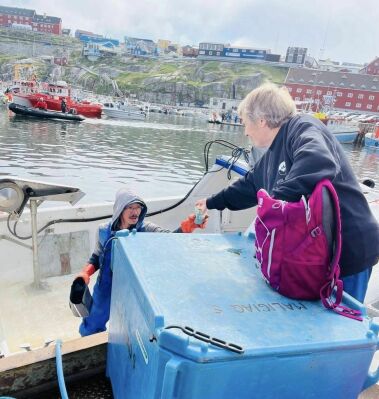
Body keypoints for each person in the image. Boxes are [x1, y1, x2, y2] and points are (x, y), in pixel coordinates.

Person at [196, 83, 379, 303]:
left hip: (349, 249)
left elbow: (318, 161)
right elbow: (249, 187)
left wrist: (273, 204)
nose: (245, 131)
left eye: (245, 123)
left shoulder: (303, 127)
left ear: (261, 120)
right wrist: (211, 202)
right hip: (318, 254)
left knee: (340, 325)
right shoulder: (272, 154)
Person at [74, 187, 207, 336]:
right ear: (119, 210)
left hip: (135, 285)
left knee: (134, 327)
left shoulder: (147, 229)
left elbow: (169, 240)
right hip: (106, 284)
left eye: (138, 207)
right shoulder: (103, 229)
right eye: (130, 207)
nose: (135, 212)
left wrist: (190, 225)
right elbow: (97, 256)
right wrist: (86, 273)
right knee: (92, 323)